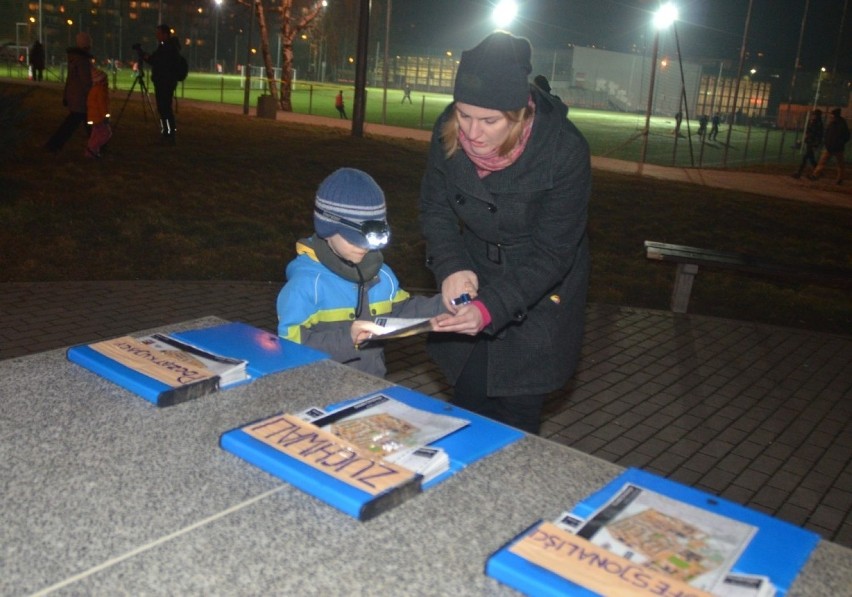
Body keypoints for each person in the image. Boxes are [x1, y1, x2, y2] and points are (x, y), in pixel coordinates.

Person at [419, 31, 591, 434]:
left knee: (514, 409)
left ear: (521, 113)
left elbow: (553, 253)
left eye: (490, 120)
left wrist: (491, 308)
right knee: (466, 400)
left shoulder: (564, 151)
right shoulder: (448, 129)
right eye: (464, 114)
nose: (472, 132)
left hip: (539, 289)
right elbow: (436, 208)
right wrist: (451, 265)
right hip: (475, 269)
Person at [277, 168, 445, 379]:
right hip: (319, 388)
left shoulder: (382, 275)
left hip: (370, 382)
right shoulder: (308, 284)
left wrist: (448, 306)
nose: (364, 247)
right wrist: (348, 339)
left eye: (371, 238)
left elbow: (401, 312)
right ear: (327, 227)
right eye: (353, 238)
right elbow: (289, 346)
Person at [44, 32, 93, 153]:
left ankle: (96, 144)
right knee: (76, 123)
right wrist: (92, 93)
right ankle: (54, 144)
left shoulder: (74, 59)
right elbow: (86, 80)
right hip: (81, 98)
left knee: (81, 122)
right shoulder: (83, 60)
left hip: (75, 96)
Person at [143, 24, 181, 145]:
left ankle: (170, 133)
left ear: (165, 34)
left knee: (165, 108)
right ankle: (167, 132)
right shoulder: (164, 47)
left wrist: (147, 57)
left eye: (159, 33)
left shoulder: (168, 48)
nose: (156, 35)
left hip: (165, 82)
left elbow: (157, 61)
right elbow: (155, 60)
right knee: (162, 108)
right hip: (163, 82)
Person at [809, 108, 850, 185]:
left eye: (832, 115)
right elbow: (827, 134)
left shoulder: (841, 124)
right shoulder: (832, 123)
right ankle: (815, 175)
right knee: (822, 162)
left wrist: (839, 143)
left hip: (838, 148)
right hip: (829, 147)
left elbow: (846, 136)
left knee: (840, 164)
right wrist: (826, 142)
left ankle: (840, 179)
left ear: (835, 116)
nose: (830, 117)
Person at [85, 65, 111, 159]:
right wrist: (106, 116)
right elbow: (102, 105)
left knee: (95, 134)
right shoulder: (101, 90)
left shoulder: (94, 89)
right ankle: (92, 148)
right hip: (99, 117)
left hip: (93, 116)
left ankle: (92, 150)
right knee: (106, 133)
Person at [792, 109, 823, 179]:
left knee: (805, 158)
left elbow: (816, 134)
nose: (813, 116)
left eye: (814, 114)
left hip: (812, 142)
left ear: (817, 115)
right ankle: (818, 172)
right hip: (810, 142)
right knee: (811, 159)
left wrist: (815, 143)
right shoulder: (815, 122)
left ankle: (799, 173)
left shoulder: (817, 123)